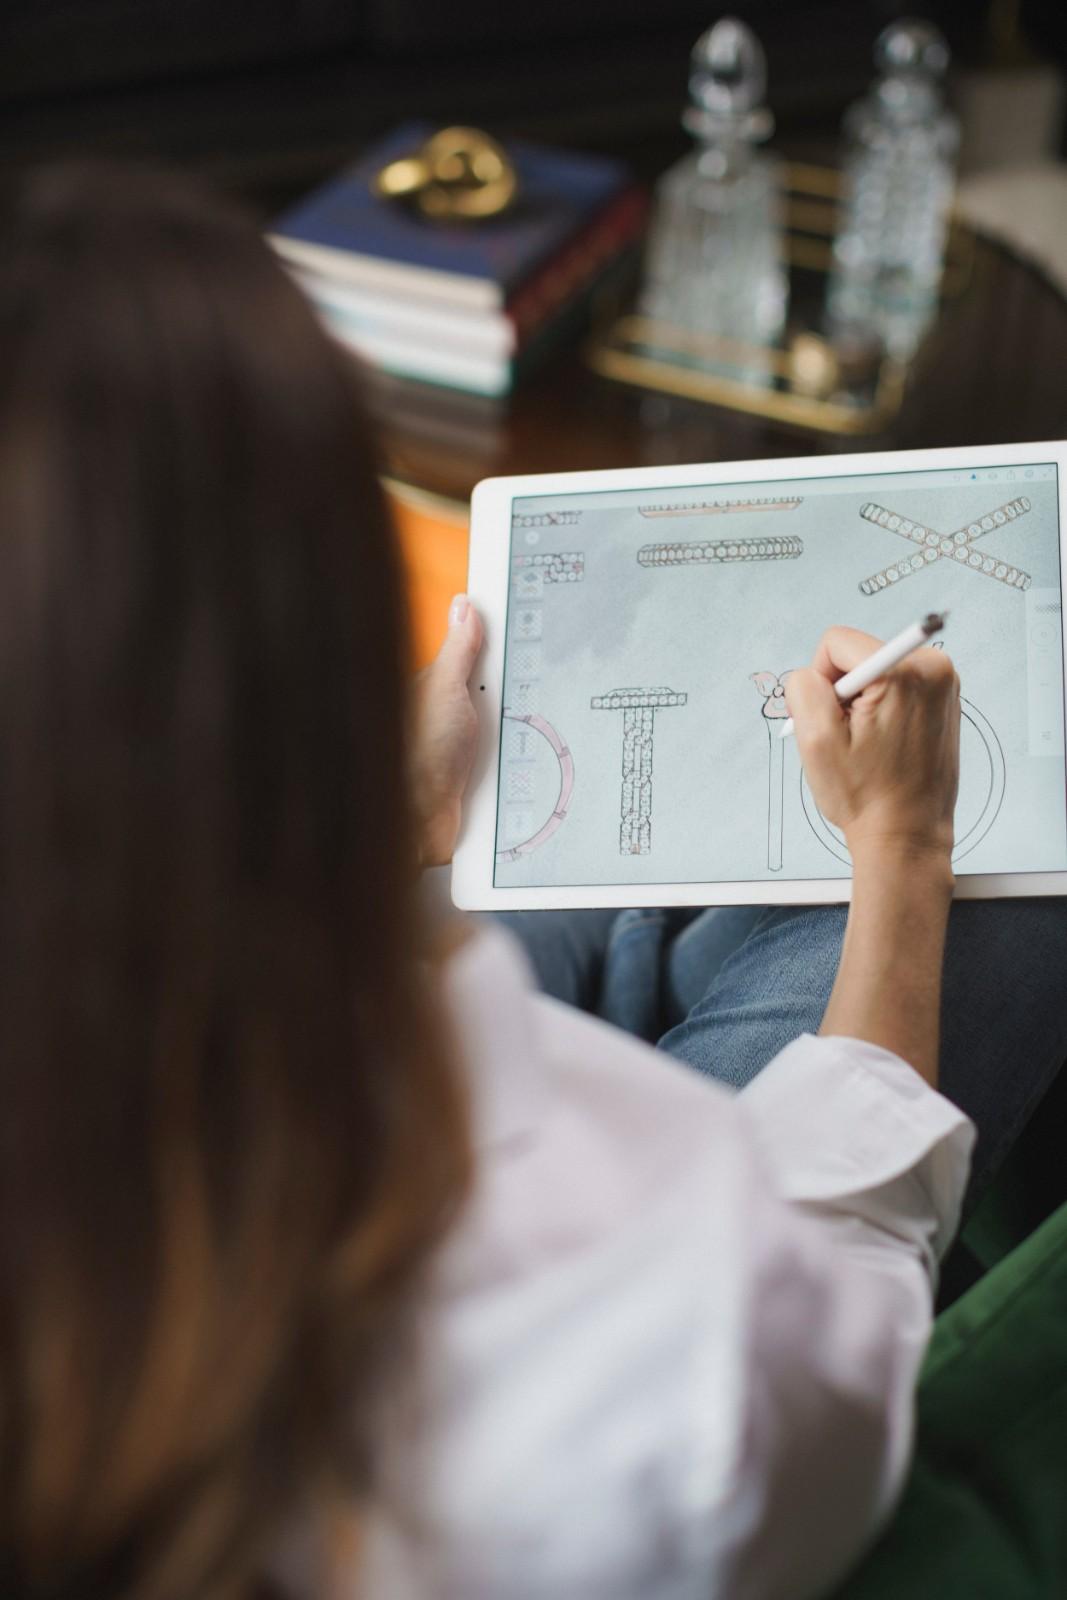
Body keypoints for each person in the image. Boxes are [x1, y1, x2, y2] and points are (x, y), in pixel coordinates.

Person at [0, 162, 1064, 1600]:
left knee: (582, 866)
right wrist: (907, 857)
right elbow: (845, 1278)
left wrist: (387, 828)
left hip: (366, 1034)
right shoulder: (679, 1341)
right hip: (660, 1227)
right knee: (1019, 894)